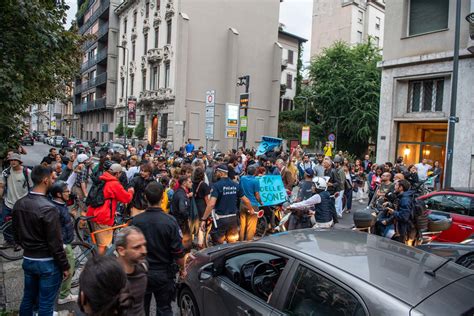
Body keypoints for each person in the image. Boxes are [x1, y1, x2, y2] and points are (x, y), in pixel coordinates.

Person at [12, 165, 70, 315]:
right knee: (46, 303)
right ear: (45, 180)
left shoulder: (20, 203)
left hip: (28, 259)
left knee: (28, 298)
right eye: (52, 177)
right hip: (47, 263)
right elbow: (55, 243)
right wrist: (65, 266)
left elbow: (16, 235)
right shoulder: (49, 208)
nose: (54, 180)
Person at [132, 182, 186, 316]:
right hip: (163, 273)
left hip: (141, 272)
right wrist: (183, 268)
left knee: (141, 309)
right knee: (164, 309)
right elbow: (178, 252)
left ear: (145, 197)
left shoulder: (135, 221)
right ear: (162, 197)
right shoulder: (170, 221)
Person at [86, 163, 134, 254]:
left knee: (96, 240)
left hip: (93, 212)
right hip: (103, 216)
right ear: (117, 173)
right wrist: (131, 191)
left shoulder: (102, 178)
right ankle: (99, 264)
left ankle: (92, 253)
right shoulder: (114, 184)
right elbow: (126, 198)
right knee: (102, 244)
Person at [200, 164, 253, 244]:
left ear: (220, 173)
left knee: (218, 245)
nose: (215, 174)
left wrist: (204, 219)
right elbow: (246, 200)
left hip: (221, 220)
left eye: (216, 172)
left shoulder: (216, 186)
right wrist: (251, 209)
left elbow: (211, 204)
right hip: (233, 219)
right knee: (232, 243)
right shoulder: (235, 185)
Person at [49, 180, 77, 305]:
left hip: (66, 241)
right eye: (66, 191)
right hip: (64, 244)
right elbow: (55, 229)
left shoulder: (60, 204)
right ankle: (64, 295)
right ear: (59, 194)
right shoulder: (56, 209)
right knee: (68, 269)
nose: (69, 193)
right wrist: (63, 246)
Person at [0, 153, 32, 248]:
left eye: (15, 160)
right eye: (11, 160)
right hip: (8, 203)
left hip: (22, 204)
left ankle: (20, 242)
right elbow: (1, 186)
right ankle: (9, 241)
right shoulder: (6, 172)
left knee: (21, 224)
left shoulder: (27, 172)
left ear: (19, 161)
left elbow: (32, 187)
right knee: (4, 223)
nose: (12, 162)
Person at [115, 226, 148, 316]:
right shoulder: (109, 277)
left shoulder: (143, 266)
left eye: (144, 245)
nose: (144, 251)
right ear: (121, 251)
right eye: (137, 247)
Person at [385, 179, 414, 244]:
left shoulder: (405, 199)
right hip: (401, 229)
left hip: (404, 230)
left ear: (401, 188)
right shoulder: (403, 197)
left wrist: (393, 212)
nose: (394, 187)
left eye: (396, 185)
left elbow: (404, 216)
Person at [239, 165, 263, 241]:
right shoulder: (255, 181)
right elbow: (257, 195)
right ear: (255, 172)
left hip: (243, 203)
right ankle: (248, 243)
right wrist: (261, 202)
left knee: (243, 225)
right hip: (253, 205)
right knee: (251, 226)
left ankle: (241, 241)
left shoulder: (242, 178)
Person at [170, 175, 193, 250]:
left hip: (177, 221)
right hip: (182, 223)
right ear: (184, 183)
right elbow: (182, 210)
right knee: (186, 244)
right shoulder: (181, 195)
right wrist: (187, 218)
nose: (191, 183)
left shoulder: (179, 192)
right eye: (189, 182)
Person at [71, 153, 91, 218]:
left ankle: (71, 220)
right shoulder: (83, 168)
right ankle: (81, 224)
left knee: (76, 206)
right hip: (79, 190)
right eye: (87, 159)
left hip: (74, 188)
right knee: (83, 208)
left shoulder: (78, 166)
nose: (88, 160)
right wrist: (85, 193)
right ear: (84, 160)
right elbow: (82, 181)